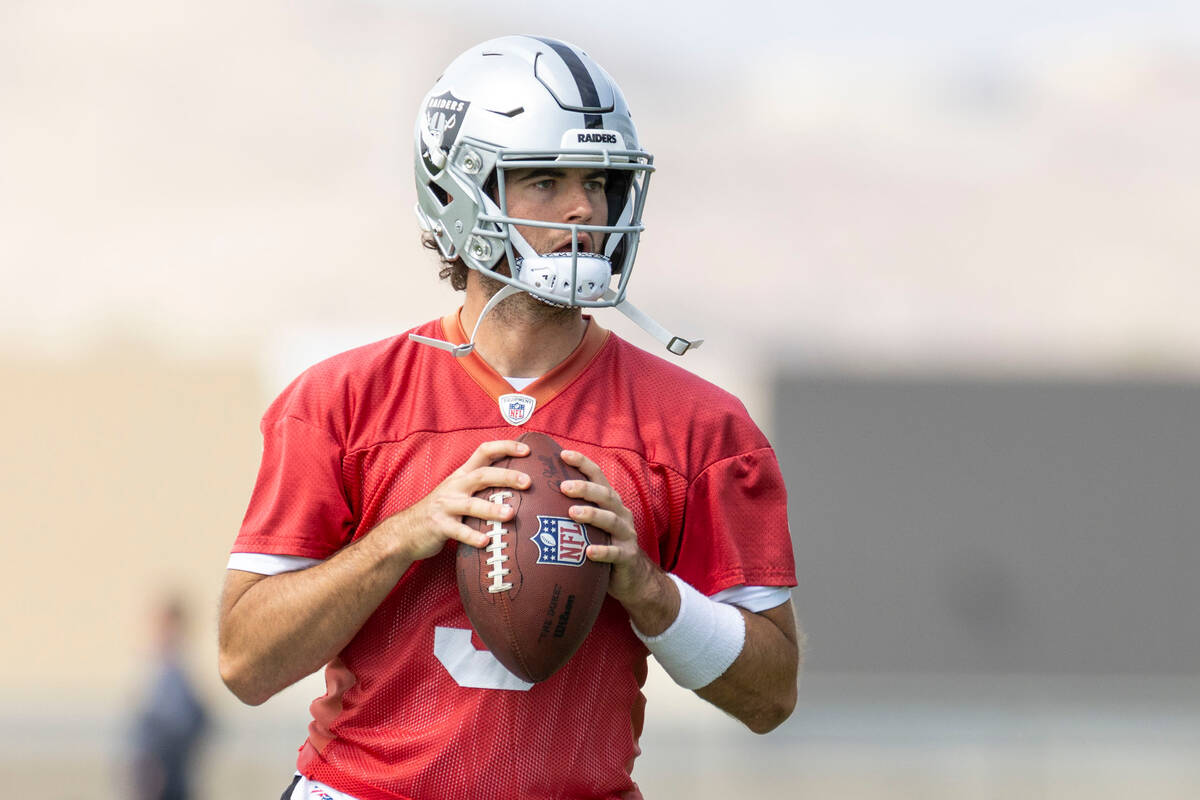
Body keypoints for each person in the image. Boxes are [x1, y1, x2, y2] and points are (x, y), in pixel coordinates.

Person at [219, 35, 800, 800]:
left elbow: (771, 697)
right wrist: (403, 535)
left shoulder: (700, 429)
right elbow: (245, 664)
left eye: (599, 181)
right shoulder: (342, 402)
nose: (584, 209)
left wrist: (649, 589)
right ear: (459, 189)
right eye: (543, 179)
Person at [131, 595, 209, 800]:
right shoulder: (154, 671)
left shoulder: (176, 674)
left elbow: (191, 722)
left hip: (171, 776)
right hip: (157, 777)